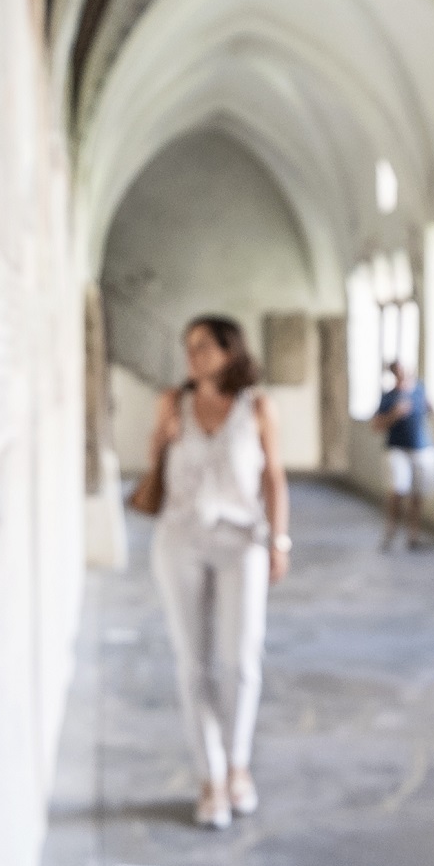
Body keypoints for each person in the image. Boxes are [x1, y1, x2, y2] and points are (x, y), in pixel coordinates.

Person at [144, 316, 291, 827]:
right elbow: (153, 473)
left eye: (204, 346)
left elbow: (273, 476)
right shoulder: (173, 403)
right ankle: (209, 777)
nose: (194, 356)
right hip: (181, 540)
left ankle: (238, 766)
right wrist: (161, 440)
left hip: (241, 542)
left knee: (241, 660)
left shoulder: (257, 408)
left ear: (230, 351)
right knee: (193, 663)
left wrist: (279, 539)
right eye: (189, 347)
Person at [372, 360, 434, 551]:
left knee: (418, 495)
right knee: (397, 490)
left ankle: (413, 535)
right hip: (397, 449)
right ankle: (391, 530)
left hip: (422, 448)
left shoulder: (420, 391)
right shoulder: (389, 397)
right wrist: (394, 414)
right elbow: (376, 426)